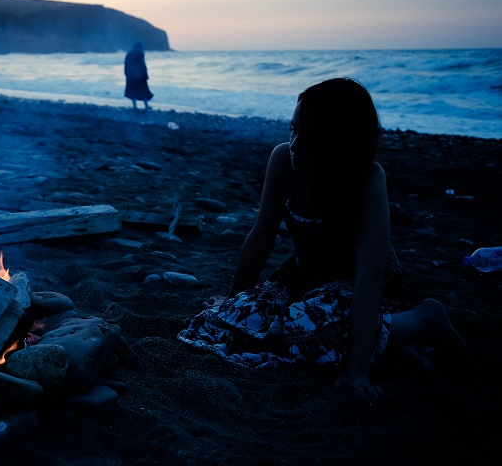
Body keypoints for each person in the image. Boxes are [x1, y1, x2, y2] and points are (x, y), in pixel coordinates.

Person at [178, 78, 471, 397]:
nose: (294, 145)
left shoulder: (367, 179)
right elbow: (261, 237)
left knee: (306, 333)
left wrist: (357, 372)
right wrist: (233, 301)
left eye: (310, 138)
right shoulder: (282, 163)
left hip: (360, 284)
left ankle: (422, 319)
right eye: (293, 130)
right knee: (220, 326)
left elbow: (370, 276)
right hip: (300, 279)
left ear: (340, 142)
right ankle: (395, 340)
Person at [124, 42, 153, 109]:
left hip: (130, 74)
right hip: (139, 74)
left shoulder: (129, 53)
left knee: (132, 90)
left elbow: (125, 64)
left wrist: (126, 73)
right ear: (140, 47)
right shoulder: (140, 53)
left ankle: (135, 106)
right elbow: (142, 64)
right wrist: (146, 74)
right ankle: (146, 105)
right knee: (143, 90)